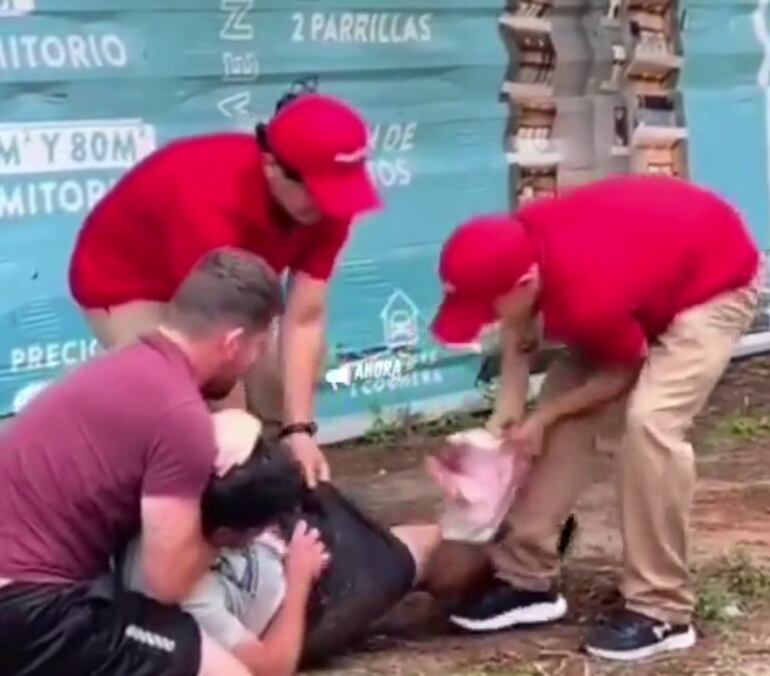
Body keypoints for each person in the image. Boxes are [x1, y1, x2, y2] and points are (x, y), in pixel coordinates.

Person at [429, 175, 761, 661]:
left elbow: (622, 373)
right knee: (551, 420)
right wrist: (508, 416)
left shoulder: (587, 294)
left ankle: (662, 608)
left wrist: (543, 417)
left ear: (525, 284)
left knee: (650, 425)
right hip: (642, 277)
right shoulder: (518, 251)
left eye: (486, 308)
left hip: (715, 282)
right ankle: (527, 578)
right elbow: (516, 331)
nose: (484, 318)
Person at [68, 82, 382, 488]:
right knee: (199, 416)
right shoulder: (208, 198)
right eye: (319, 193)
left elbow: (304, 319)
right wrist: (235, 435)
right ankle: (200, 509)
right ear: (272, 166)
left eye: (338, 192)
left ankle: (274, 478)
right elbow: (211, 349)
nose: (329, 207)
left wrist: (298, 430)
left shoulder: (331, 194)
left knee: (278, 381)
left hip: (228, 282)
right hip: (128, 282)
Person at [0, 248, 286, 676]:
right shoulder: (179, 415)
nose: (254, 362)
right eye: (258, 348)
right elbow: (165, 584)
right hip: (31, 610)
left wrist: (238, 418)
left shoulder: (127, 368)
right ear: (232, 342)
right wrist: (232, 538)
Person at [122, 411, 440, 674]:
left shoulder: (183, 500)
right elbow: (272, 667)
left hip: (286, 539)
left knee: (421, 535)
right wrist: (300, 577)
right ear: (226, 535)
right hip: (307, 596)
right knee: (429, 547)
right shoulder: (190, 602)